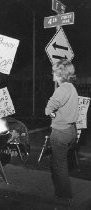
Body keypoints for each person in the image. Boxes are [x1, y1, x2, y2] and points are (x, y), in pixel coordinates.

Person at [45, 59, 79, 203]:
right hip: (71, 130)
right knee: (62, 162)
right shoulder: (71, 87)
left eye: (54, 71)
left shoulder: (62, 89)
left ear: (59, 74)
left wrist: (49, 112)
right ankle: (63, 193)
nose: (52, 73)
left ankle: (64, 196)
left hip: (60, 132)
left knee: (59, 165)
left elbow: (49, 107)